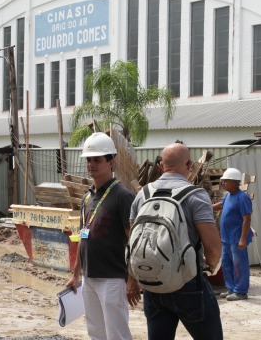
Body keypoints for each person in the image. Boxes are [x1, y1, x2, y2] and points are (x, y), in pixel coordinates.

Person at [130, 143, 223, 340]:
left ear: (161, 164)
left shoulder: (142, 195)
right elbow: (213, 247)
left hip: (153, 283)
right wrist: (212, 267)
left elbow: (131, 239)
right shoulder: (196, 195)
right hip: (188, 285)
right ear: (189, 164)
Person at [66, 132, 139, 340]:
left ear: (111, 162)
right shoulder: (87, 198)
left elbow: (133, 240)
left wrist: (132, 280)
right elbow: (83, 237)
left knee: (117, 334)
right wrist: (75, 274)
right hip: (89, 278)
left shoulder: (123, 196)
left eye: (97, 160)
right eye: (89, 160)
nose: (91, 164)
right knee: (96, 333)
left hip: (113, 279)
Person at [212, 167, 253, 301]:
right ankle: (231, 289)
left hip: (237, 238)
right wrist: (206, 206)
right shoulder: (229, 195)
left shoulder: (243, 198)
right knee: (226, 264)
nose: (223, 183)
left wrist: (242, 239)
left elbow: (247, 219)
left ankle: (241, 291)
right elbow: (221, 204)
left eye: (226, 181)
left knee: (239, 265)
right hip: (226, 238)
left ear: (234, 182)